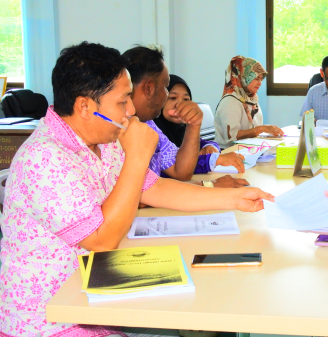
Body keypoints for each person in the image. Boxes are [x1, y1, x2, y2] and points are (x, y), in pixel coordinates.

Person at [0, 42, 273, 337]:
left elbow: (155, 189)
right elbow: (103, 240)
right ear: (84, 106)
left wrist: (234, 198)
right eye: (122, 101)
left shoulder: (103, 139)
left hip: (93, 300)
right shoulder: (44, 158)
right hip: (49, 321)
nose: (131, 110)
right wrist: (139, 155)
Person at [123, 46, 247, 187]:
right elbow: (145, 193)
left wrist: (194, 124)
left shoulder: (148, 124)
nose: (167, 95)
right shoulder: (117, 128)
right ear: (149, 88)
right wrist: (209, 185)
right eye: (166, 88)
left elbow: (180, 171)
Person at [214, 55, 283, 148]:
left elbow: (252, 132)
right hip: (228, 153)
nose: (260, 83)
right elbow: (232, 136)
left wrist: (265, 130)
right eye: (256, 78)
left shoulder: (250, 99)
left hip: (246, 151)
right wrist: (261, 129)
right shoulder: (230, 101)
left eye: (261, 79)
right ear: (243, 77)